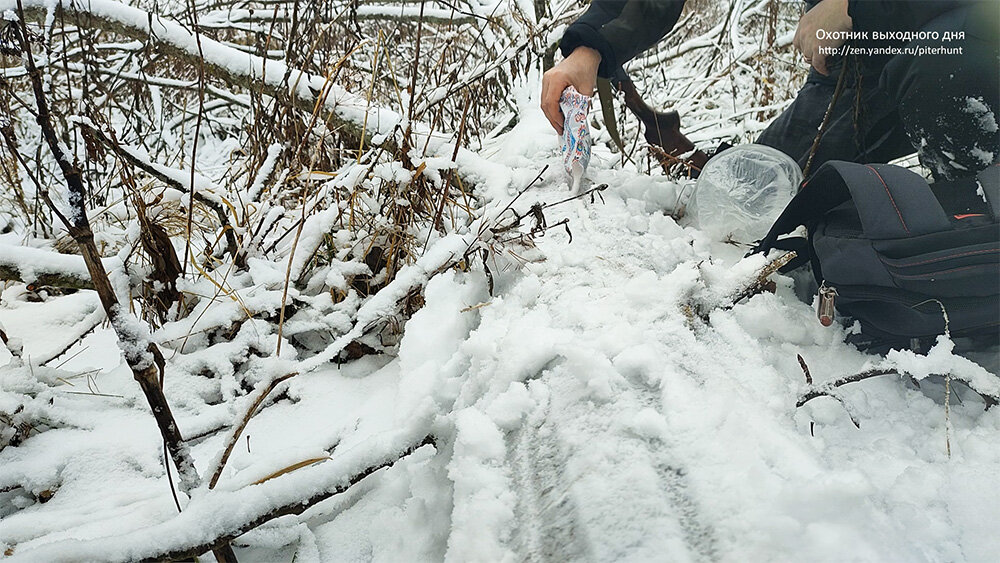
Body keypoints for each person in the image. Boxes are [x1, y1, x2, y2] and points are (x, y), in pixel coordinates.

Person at [541, 0, 1000, 180]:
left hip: (963, 36)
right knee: (757, 186)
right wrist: (590, 47)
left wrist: (853, 4)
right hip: (861, 60)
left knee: (949, 67)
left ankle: (972, 223)